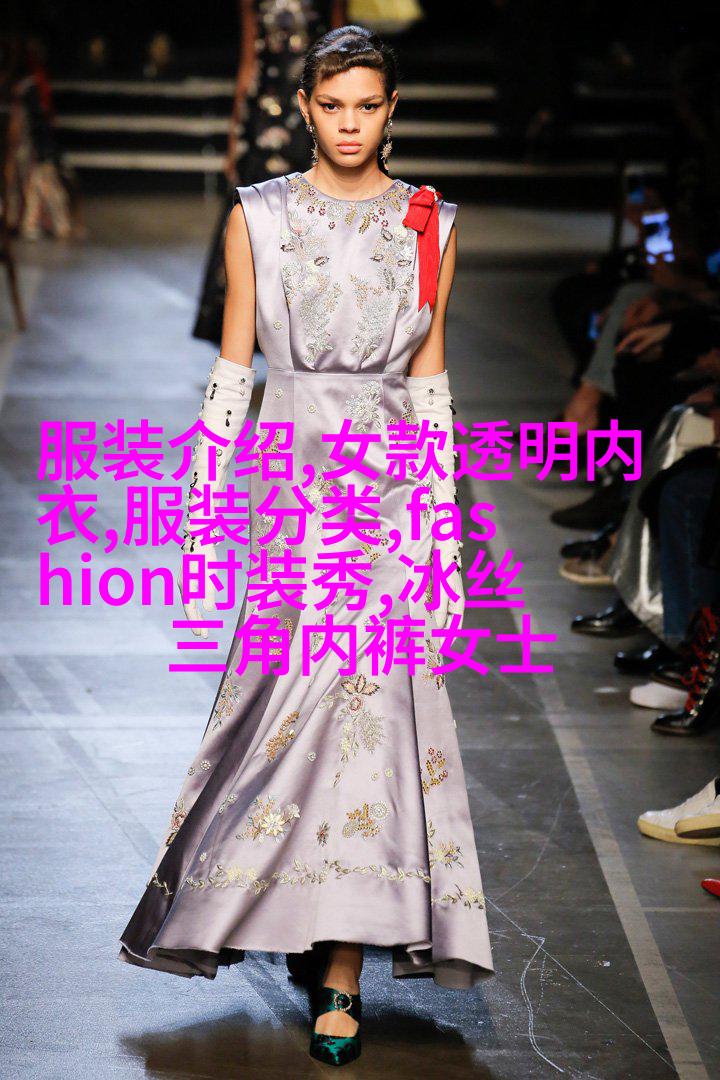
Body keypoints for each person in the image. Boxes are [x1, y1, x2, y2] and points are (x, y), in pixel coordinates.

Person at [118, 24, 494, 1068]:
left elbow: (430, 378)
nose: (350, 124)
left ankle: (341, 971)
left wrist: (442, 539)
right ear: (303, 109)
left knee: (369, 722)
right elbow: (233, 368)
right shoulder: (260, 215)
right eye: (333, 106)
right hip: (292, 494)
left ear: (393, 110)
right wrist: (201, 513)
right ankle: (288, 913)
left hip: (392, 496)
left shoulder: (430, 220)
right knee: (276, 718)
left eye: (368, 106)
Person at [192, 0, 346, 346]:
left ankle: (314, 321)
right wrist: (235, 135)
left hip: (311, 113)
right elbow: (250, 59)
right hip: (262, 113)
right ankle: (245, 325)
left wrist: (337, 116)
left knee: (312, 213)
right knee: (252, 214)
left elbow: (341, 54)